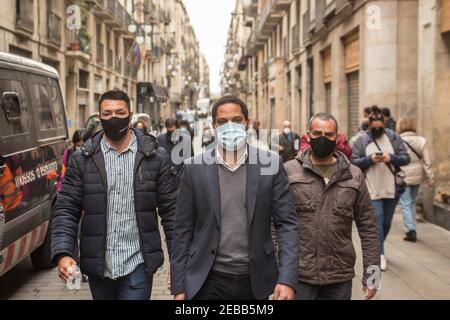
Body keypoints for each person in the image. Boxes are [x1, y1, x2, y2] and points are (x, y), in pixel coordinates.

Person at [51, 90, 177, 300]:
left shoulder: (155, 158)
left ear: (130, 114)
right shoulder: (81, 159)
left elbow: (171, 212)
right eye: (107, 114)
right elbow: (66, 208)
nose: (113, 118)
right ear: (99, 116)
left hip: (139, 263)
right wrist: (63, 253)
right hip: (98, 266)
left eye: (120, 112)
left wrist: (178, 261)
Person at [171, 95, 299, 300]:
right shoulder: (194, 168)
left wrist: (287, 279)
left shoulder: (271, 164)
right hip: (206, 279)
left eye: (237, 120)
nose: (230, 126)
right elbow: (182, 229)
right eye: (222, 122)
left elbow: (287, 224)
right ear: (214, 125)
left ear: (246, 122)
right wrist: (179, 286)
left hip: (257, 280)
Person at [285, 113, 380, 300]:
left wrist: (373, 276)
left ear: (337, 137)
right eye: (317, 133)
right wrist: (280, 270)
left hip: (339, 275)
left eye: (329, 135)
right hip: (299, 274)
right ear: (307, 135)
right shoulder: (289, 171)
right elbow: (275, 223)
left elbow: (368, 227)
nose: (322, 138)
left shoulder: (354, 175)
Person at [351, 110, 410, 271]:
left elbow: (406, 158)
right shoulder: (362, 140)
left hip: (392, 188)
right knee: (377, 222)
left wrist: (390, 158)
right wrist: (370, 160)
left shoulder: (393, 137)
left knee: (386, 222)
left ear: (384, 124)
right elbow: (354, 162)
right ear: (370, 125)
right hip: (370, 188)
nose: (377, 129)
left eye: (380, 127)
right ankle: (379, 256)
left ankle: (377, 247)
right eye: (374, 127)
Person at [396, 117, 434, 242]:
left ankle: (410, 230)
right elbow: (427, 161)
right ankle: (412, 228)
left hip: (404, 174)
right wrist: (430, 177)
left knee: (405, 203)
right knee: (411, 202)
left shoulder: (398, 140)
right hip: (418, 174)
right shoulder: (421, 140)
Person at [157, 118, 194, 189]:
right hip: (165, 181)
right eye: (169, 131)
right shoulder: (160, 139)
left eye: (173, 131)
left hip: (182, 180)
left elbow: (191, 160)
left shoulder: (186, 140)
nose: (171, 134)